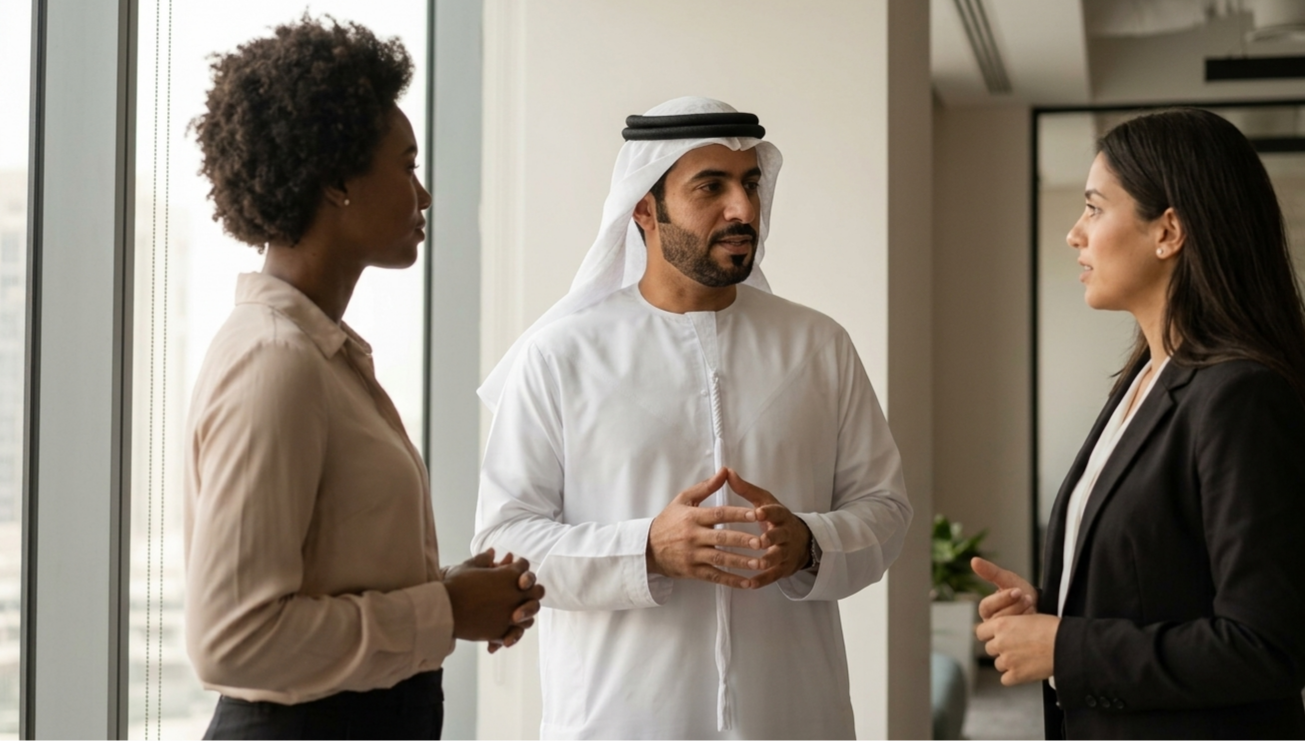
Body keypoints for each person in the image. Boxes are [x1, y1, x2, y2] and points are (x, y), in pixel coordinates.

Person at [473, 96, 914, 741]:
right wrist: (646, 548)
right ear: (644, 209)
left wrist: (810, 543)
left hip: (791, 715)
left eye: (751, 183)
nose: (743, 209)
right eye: (711, 186)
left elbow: (886, 510)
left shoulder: (818, 345)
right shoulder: (563, 355)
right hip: (618, 720)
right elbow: (507, 543)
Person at [182, 17, 543, 740]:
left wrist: (447, 592)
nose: (425, 194)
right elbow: (231, 638)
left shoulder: (317, 354)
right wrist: (444, 611)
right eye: (407, 164)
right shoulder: (276, 362)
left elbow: (323, 578)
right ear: (339, 182)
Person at [973, 108, 1305, 740]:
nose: (1076, 233)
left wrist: (1066, 647)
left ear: (1168, 231)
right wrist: (1059, 607)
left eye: (1095, 208)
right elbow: (1162, 578)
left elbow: (1267, 646)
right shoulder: (1144, 378)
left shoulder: (1241, 395)